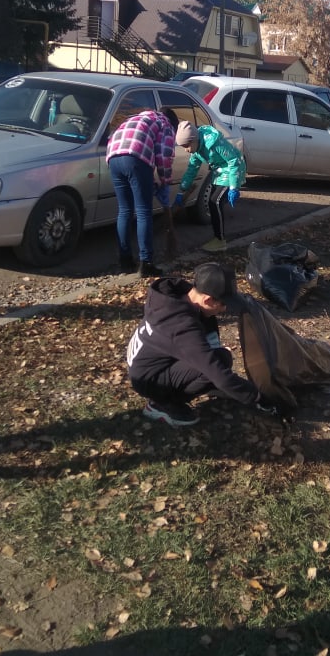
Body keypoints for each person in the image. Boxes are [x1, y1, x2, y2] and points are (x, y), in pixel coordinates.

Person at [126, 262, 273, 426]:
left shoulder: (184, 296)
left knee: (221, 356)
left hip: (154, 362)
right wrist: (258, 397)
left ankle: (209, 385)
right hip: (150, 380)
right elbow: (215, 370)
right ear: (208, 299)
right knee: (214, 367)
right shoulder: (181, 326)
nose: (224, 309)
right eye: (223, 304)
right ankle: (161, 404)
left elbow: (212, 351)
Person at [106, 108, 176, 277]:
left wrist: (152, 181)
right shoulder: (165, 124)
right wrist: (165, 181)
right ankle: (146, 263)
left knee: (124, 210)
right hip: (136, 158)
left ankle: (125, 261)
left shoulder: (135, 118)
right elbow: (164, 156)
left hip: (113, 157)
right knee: (144, 212)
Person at [173, 121, 247, 253]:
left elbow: (233, 161)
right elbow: (191, 170)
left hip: (233, 170)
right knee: (212, 203)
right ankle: (217, 237)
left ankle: (220, 240)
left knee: (215, 202)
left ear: (194, 140)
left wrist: (233, 187)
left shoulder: (215, 143)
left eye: (187, 146)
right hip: (219, 172)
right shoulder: (196, 151)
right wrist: (181, 191)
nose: (186, 149)